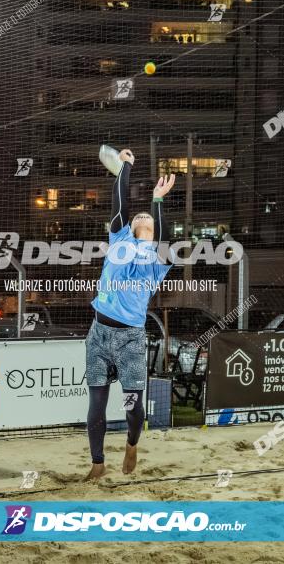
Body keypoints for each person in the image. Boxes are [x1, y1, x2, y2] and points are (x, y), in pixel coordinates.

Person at [84, 147, 175, 480]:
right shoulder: (119, 237)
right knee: (96, 404)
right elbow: (119, 202)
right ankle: (97, 464)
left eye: (147, 218)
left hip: (131, 338)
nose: (142, 217)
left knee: (132, 406)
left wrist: (157, 201)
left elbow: (164, 233)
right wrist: (126, 166)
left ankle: (132, 444)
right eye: (141, 216)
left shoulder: (157, 261)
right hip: (99, 332)